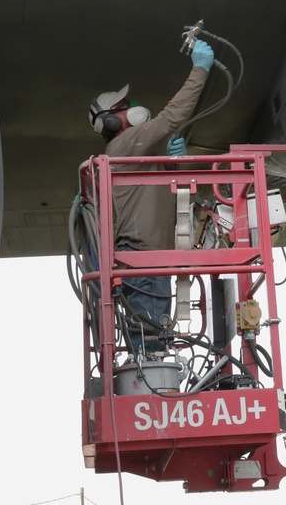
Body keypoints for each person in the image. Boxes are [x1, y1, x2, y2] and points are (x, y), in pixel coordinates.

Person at [88, 39, 215, 358]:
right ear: (112, 121)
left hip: (152, 260)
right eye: (123, 105)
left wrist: (178, 165)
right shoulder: (123, 145)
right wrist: (199, 70)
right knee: (150, 350)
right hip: (142, 260)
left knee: (154, 347)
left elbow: (185, 199)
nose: (131, 106)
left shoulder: (140, 155)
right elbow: (171, 118)